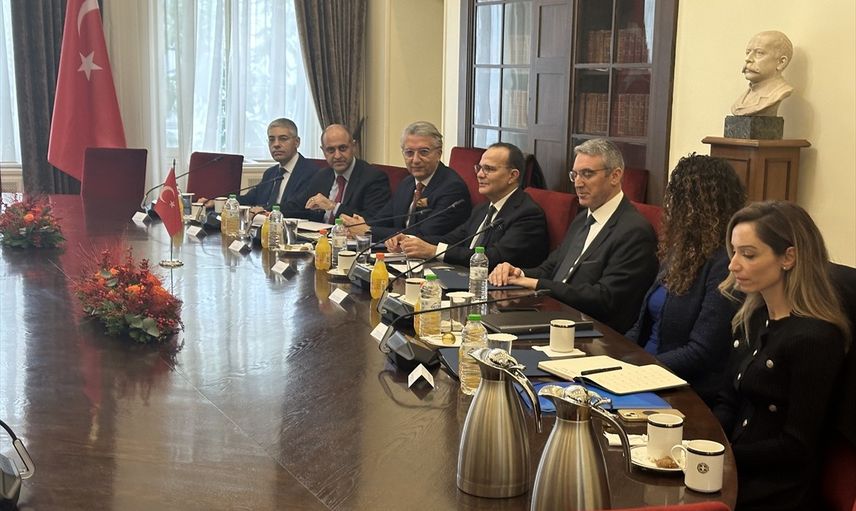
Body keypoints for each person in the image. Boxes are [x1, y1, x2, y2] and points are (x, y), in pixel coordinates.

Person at [714, 201, 850, 511]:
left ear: (788, 257)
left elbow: (796, 447)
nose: (733, 265)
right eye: (733, 252)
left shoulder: (815, 339)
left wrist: (722, 455)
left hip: (776, 491)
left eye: (748, 255)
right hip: (735, 469)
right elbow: (728, 400)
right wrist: (703, 443)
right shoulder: (751, 318)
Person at [488, 138, 657, 333]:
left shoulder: (634, 231)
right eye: (575, 175)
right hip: (555, 317)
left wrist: (537, 284)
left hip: (595, 332)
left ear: (615, 176)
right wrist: (517, 273)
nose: (578, 183)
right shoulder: (582, 218)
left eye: (587, 174)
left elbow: (605, 298)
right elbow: (550, 268)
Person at [625, 154, 746, 405]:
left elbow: (702, 352)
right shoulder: (681, 249)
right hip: (645, 373)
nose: (669, 206)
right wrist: (616, 357)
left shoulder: (724, 263)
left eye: (676, 198)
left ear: (695, 206)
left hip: (681, 388)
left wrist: (638, 368)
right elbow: (642, 324)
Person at [385, 142, 547, 269]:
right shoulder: (483, 208)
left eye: (489, 169)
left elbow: (494, 257)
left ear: (512, 176)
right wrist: (410, 241)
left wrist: (433, 251)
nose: (480, 175)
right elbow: (452, 239)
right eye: (479, 168)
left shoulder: (527, 214)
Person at [340, 121, 471, 240]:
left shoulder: (452, 188)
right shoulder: (407, 183)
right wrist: (359, 225)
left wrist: (368, 231)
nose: (415, 160)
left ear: (439, 154)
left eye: (424, 152)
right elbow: (382, 219)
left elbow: (423, 234)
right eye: (409, 153)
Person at [199, 118, 317, 215]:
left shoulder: (311, 173)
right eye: (271, 140)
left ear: (297, 142)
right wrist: (218, 202)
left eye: (283, 139)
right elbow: (249, 199)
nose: (276, 144)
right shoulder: (270, 173)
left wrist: (265, 210)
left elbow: (296, 207)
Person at [283, 124, 390, 222]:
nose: (337, 156)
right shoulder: (321, 176)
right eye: (331, 150)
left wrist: (334, 207)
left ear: (353, 146)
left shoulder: (373, 177)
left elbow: (374, 220)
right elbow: (296, 206)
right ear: (323, 151)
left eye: (342, 148)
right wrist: (274, 211)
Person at [731, 30, 794, 116]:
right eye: (748, 52)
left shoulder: (779, 92)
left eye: (759, 53)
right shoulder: (741, 100)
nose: (748, 58)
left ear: (781, 62)